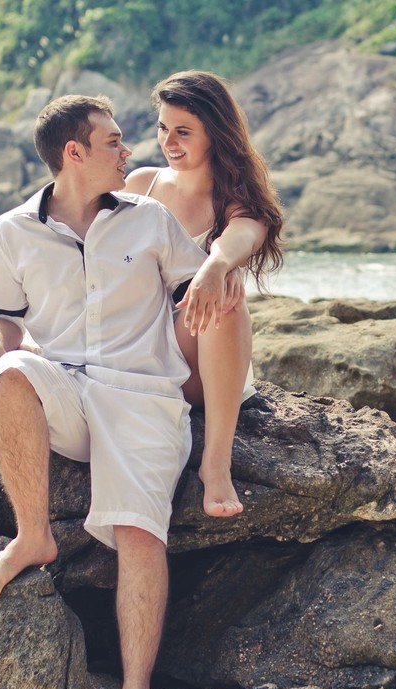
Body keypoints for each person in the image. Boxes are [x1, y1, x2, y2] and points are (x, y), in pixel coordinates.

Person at [0, 95, 205, 689]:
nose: (130, 153)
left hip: (144, 398)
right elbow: (0, 323)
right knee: (7, 368)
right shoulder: (10, 231)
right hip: (66, 389)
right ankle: (31, 534)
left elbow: (204, 298)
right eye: (115, 142)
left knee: (140, 536)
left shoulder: (150, 219)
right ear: (75, 153)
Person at [124, 70, 284, 518]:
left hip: (192, 365)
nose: (169, 142)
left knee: (227, 299)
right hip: (131, 350)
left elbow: (245, 232)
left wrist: (216, 266)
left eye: (183, 132)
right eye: (162, 129)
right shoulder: (141, 186)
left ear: (214, 133)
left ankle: (216, 467)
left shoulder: (233, 200)